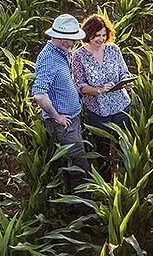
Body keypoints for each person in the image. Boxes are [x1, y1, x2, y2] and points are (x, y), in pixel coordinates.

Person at [71, 14, 133, 179]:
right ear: (88, 34)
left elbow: (124, 72)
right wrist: (98, 90)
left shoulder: (113, 49)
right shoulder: (79, 56)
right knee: (103, 149)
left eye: (103, 35)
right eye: (96, 35)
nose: (101, 39)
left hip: (121, 105)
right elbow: (79, 85)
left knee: (125, 144)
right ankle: (106, 182)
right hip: (98, 109)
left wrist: (126, 81)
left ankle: (125, 179)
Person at [31, 13, 90, 186]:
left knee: (76, 163)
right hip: (64, 124)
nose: (75, 43)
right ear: (62, 39)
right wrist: (57, 117)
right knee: (79, 166)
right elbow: (39, 95)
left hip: (71, 117)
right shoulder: (49, 59)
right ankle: (84, 207)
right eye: (73, 40)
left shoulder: (62, 52)